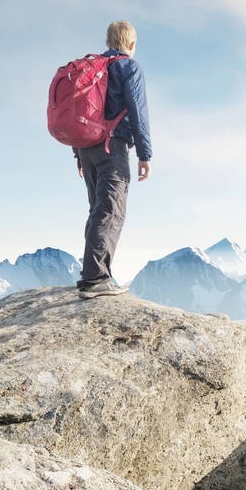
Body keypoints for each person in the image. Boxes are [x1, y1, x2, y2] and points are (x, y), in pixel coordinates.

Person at [73, 20, 152, 298]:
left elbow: (79, 111)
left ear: (108, 41)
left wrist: (78, 153)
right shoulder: (128, 67)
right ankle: (95, 280)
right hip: (112, 147)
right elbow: (138, 113)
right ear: (131, 44)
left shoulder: (92, 68)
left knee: (98, 209)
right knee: (110, 210)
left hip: (86, 147)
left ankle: (93, 275)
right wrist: (145, 154)